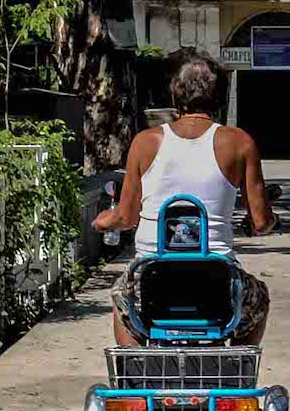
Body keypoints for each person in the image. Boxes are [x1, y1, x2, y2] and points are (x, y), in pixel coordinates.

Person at [92, 53, 276, 346]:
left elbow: (125, 218)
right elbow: (262, 221)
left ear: (175, 94)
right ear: (218, 96)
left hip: (151, 282)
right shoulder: (240, 142)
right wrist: (267, 221)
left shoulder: (145, 141)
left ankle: (133, 383)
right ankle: (235, 374)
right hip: (217, 285)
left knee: (121, 299)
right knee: (258, 298)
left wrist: (103, 220)